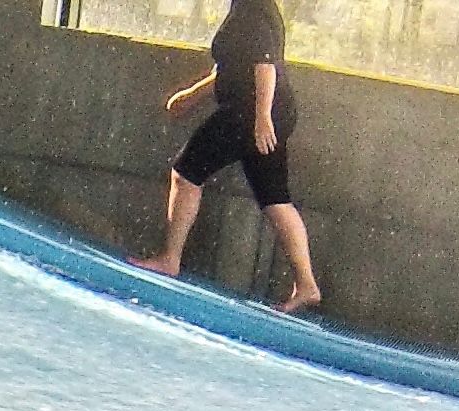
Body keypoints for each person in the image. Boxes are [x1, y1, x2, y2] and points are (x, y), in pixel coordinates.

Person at [132, 0, 322, 314]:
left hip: (250, 112)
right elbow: (231, 67)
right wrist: (192, 95)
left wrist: (262, 118)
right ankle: (307, 284)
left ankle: (170, 259)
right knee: (274, 197)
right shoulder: (250, 8)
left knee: (187, 172)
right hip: (270, 110)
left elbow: (265, 65)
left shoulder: (251, 10)